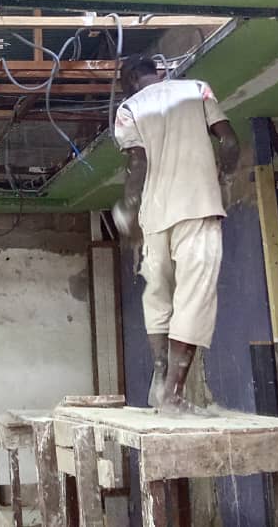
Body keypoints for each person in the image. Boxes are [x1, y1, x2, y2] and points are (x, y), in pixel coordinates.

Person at [112, 58, 239, 415]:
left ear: (130, 82)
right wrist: (223, 177)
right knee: (193, 298)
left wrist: (129, 208)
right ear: (158, 72)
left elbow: (138, 163)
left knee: (158, 295)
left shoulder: (128, 109)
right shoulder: (196, 90)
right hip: (198, 206)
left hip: (154, 214)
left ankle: (159, 376)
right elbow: (229, 141)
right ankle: (173, 394)